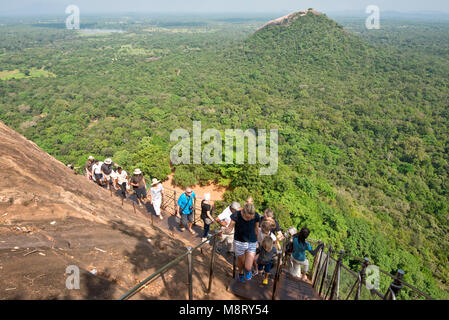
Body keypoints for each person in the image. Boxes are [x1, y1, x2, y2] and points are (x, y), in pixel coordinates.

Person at [224, 203, 260, 283]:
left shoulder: (256, 216)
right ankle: (240, 273)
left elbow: (256, 229)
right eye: (247, 217)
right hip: (239, 242)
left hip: (252, 242)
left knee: (248, 266)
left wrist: (257, 241)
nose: (249, 219)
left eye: (251, 217)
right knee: (241, 261)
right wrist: (224, 231)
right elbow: (230, 228)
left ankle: (247, 271)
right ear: (243, 212)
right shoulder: (236, 215)